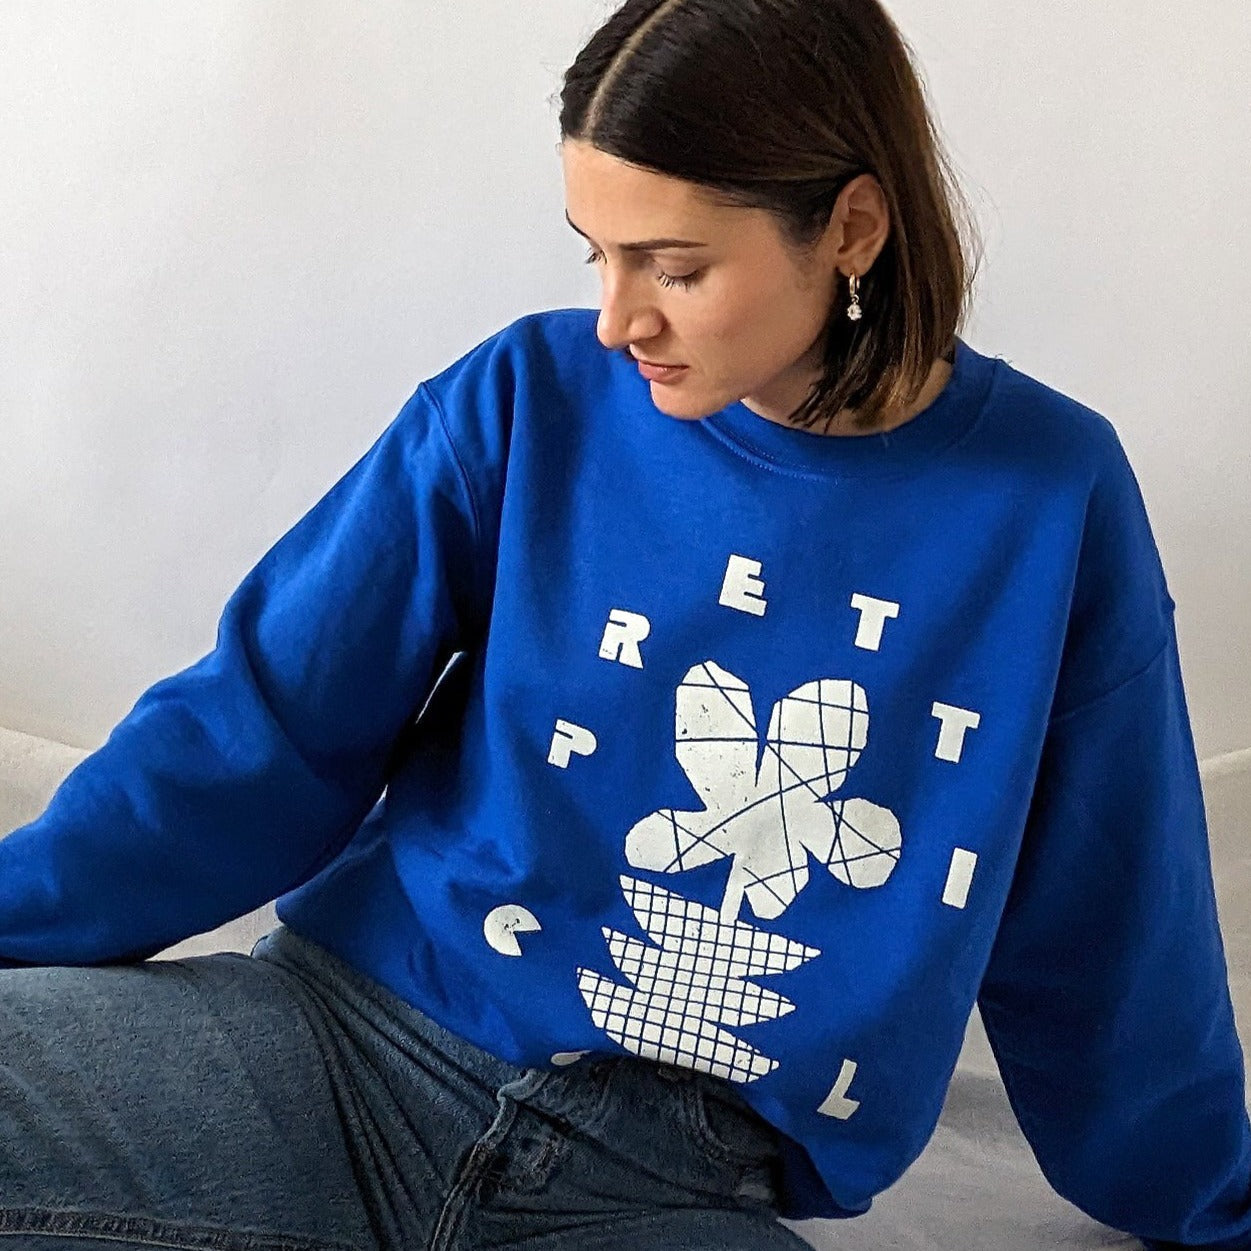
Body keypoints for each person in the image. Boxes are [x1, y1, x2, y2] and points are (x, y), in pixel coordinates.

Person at [2, 0, 1248, 1247]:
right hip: (338, 1054)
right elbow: (260, 730)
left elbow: (1116, 916)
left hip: (669, 1184)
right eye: (595, 254)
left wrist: (1209, 1204)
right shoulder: (525, 398)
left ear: (853, 228)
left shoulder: (1051, 499)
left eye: (676, 267)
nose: (618, 318)